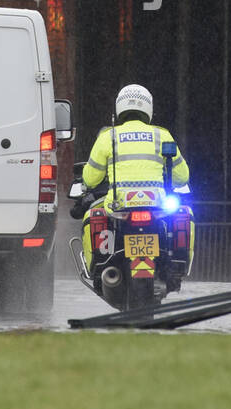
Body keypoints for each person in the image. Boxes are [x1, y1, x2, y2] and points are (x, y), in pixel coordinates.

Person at [72, 84, 190, 285]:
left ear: (120, 109)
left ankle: (100, 263)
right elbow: (182, 176)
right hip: (158, 206)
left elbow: (90, 179)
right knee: (184, 213)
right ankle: (175, 263)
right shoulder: (162, 135)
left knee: (92, 215)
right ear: (148, 108)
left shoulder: (107, 137)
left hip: (117, 207)